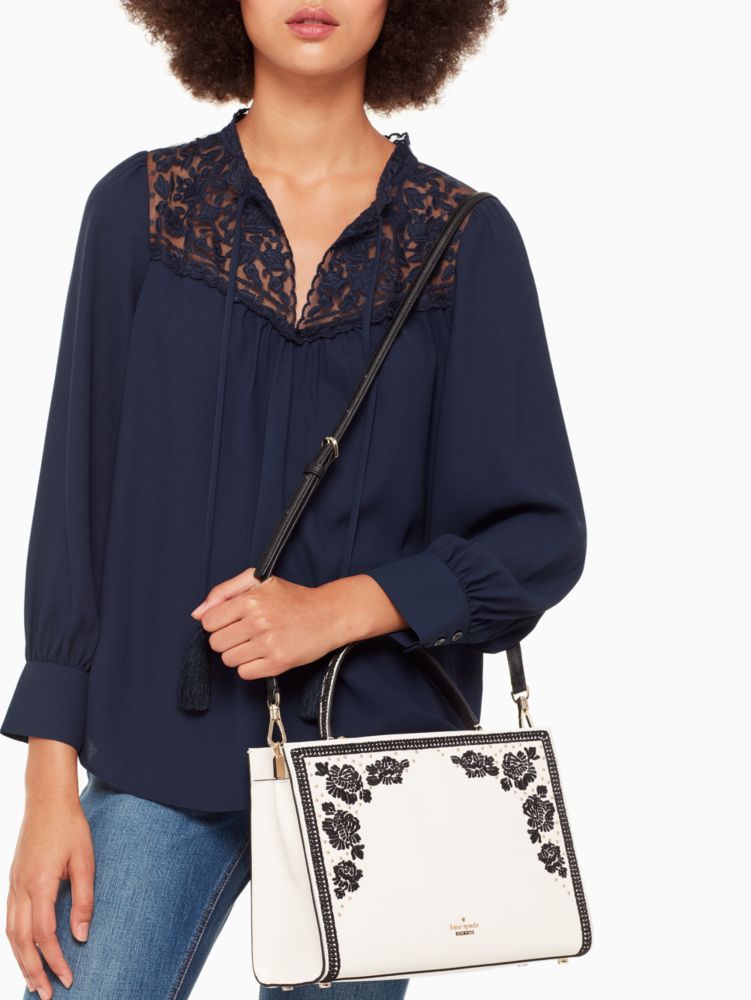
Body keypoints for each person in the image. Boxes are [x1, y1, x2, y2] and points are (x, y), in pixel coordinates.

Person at [1, 1, 587, 997]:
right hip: (152, 750)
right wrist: (48, 781)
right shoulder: (140, 212)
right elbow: (74, 501)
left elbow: (538, 533)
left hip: (374, 772)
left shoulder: (461, 239)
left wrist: (338, 609)